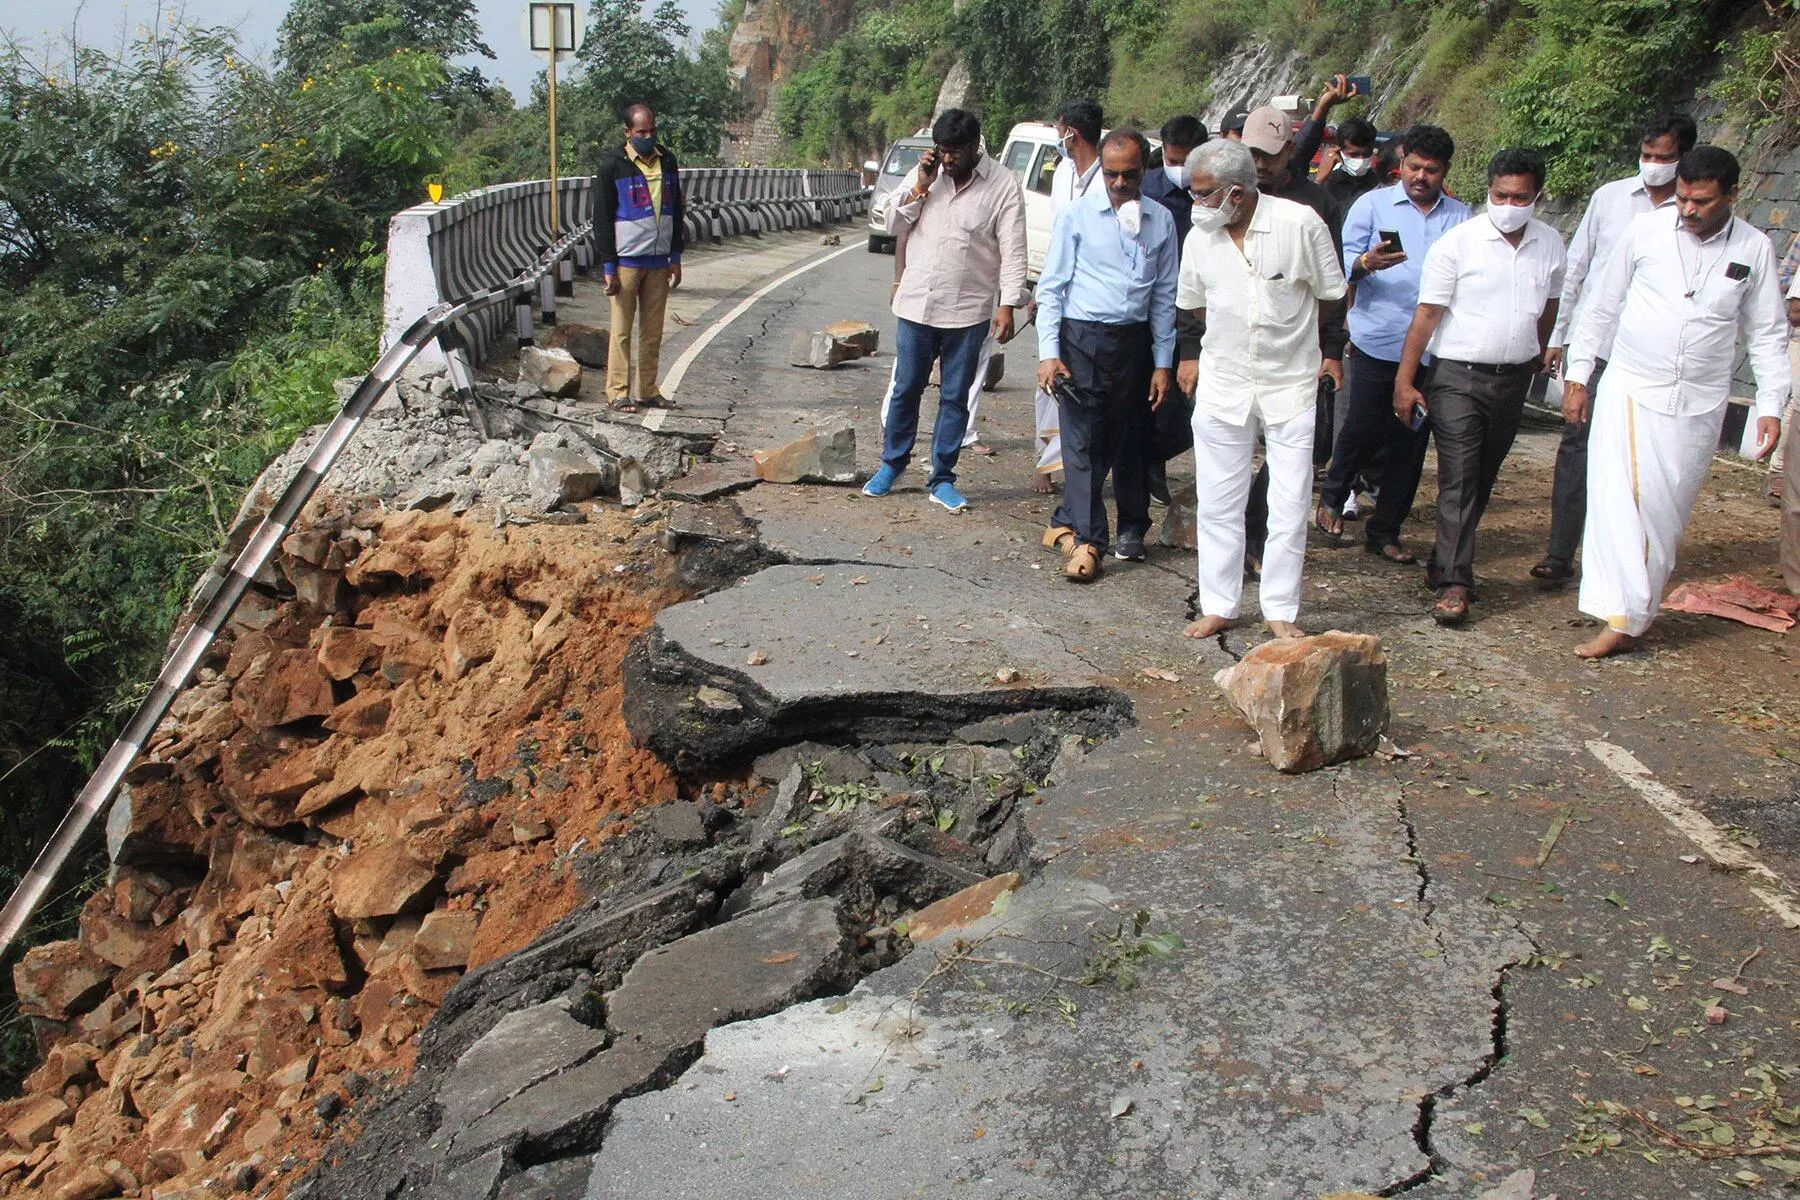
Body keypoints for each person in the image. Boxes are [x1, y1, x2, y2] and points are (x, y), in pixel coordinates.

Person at [1564, 145, 1790, 658]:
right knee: (1620, 504)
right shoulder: (1645, 230)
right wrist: (1579, 375)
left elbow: (1768, 334)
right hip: (1630, 386)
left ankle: (1635, 612)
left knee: (1665, 514)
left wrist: (1772, 404)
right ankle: (1624, 618)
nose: (1688, 210)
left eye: (1702, 202)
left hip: (1699, 400)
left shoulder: (1754, 248)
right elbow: (1600, 306)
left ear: (1732, 195)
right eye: (1683, 199)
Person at [1177, 139, 1347, 639]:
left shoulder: (1299, 225)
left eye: (1205, 194)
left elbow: (1332, 297)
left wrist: (1303, 346)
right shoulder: (1199, 237)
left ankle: (1280, 609)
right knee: (1218, 501)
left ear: (1237, 192)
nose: (1197, 203)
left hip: (1290, 385)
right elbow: (1195, 305)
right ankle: (1220, 604)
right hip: (1224, 383)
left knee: (1290, 504)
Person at [1393, 148, 1565, 626]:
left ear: (1536, 197)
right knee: (1461, 475)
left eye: (1520, 197)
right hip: (1456, 379)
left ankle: (1441, 561)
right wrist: (1405, 381)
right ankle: (1455, 581)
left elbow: (1548, 304)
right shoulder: (1458, 244)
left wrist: (1540, 347)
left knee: (1482, 477)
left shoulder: (1550, 244)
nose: (1509, 204)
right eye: (1500, 195)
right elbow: (1426, 315)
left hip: (1511, 380)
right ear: (1487, 192)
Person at [1532, 112, 1695, 584]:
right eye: (1647, 156)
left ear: (1683, 160)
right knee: (1577, 448)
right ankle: (1560, 554)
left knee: (1641, 458)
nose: (1654, 165)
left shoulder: (1694, 217)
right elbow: (1577, 270)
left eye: (1665, 158)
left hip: (1652, 356)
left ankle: (1629, 561)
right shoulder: (1609, 200)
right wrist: (1560, 337)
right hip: (1598, 348)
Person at [1315, 124, 1471, 565]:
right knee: (1362, 426)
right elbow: (1337, 266)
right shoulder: (1372, 205)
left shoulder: (1460, 218)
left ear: (1445, 172)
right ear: (1401, 164)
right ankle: (1333, 494)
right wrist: (1365, 263)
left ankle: (1385, 530)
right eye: (1414, 167)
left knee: (1409, 440)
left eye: (1431, 170)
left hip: (1432, 349)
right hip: (1377, 338)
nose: (1420, 177)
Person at [863, 108, 1027, 513]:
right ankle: (892, 464)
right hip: (918, 305)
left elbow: (1014, 250)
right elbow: (892, 223)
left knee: (955, 397)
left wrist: (1007, 305)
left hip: (968, 312)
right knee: (906, 390)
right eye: (943, 151)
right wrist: (920, 185)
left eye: (955, 152)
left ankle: (942, 478)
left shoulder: (1003, 185)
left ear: (975, 147)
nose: (948, 159)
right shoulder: (928, 175)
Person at [1036, 129, 1179, 582]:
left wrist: (1162, 362)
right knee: (1080, 442)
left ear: (1145, 169)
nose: (1120, 184)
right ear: (1101, 169)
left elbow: (1164, 297)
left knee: (1126, 440)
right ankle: (1089, 540)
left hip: (1134, 344)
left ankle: (1124, 526)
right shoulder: (1077, 217)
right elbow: (1052, 289)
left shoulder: (1162, 221)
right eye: (1112, 174)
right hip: (1081, 340)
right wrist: (1048, 353)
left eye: (1130, 174)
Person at [1238, 105, 1347, 568]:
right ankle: (1234, 545)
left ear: (1289, 151)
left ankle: (1262, 539)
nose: (1261, 164)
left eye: (1270, 155)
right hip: (1236, 351)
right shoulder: (1229, 198)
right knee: (1232, 453)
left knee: (1290, 458)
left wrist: (1331, 351)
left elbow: (1332, 289)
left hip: (1295, 356)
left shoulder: (1314, 207)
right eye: (1252, 154)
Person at [1031, 99, 1107, 496]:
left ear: (1070, 133)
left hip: (1093, 300)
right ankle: (1044, 463)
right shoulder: (1062, 172)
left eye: (1060, 130)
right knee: (1048, 376)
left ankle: (1082, 468)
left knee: (1083, 387)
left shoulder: (1107, 177)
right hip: (1057, 292)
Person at [1136, 114, 1208, 503]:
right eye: (1172, 160)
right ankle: (1148, 467)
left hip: (1196, 312)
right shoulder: (1144, 188)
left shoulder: (1213, 194)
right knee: (1151, 394)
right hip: (1149, 309)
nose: (1178, 170)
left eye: (1186, 162)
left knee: (1186, 404)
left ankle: (1157, 454)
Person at [595, 103, 684, 412]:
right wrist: (609, 266)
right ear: (628, 132)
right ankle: (617, 392)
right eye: (641, 132)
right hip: (626, 263)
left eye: (651, 130)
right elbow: (602, 219)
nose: (647, 136)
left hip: (659, 262)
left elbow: (678, 209)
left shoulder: (667, 161)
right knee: (621, 331)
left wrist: (676, 255)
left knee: (652, 332)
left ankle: (647, 390)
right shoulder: (612, 166)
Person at [1316, 116, 1382, 212]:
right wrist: (1319, 180)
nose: (1361, 160)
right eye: (1354, 155)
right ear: (1339, 151)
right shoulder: (1328, 183)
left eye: (1366, 154)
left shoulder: (1380, 184)